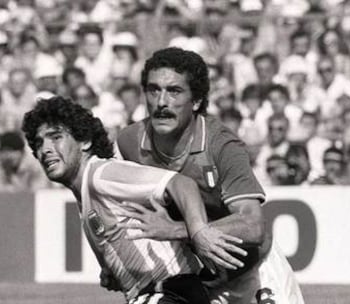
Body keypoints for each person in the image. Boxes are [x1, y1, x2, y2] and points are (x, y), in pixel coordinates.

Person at [116, 47, 304, 304]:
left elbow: (253, 224)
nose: (161, 102)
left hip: (252, 273)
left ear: (196, 101)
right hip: (192, 283)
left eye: (174, 91)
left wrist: (178, 230)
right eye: (153, 90)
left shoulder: (222, 145)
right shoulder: (129, 142)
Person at [22, 96, 249, 304]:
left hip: (170, 293)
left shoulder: (101, 174)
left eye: (56, 137)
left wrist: (199, 232)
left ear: (84, 142)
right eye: (39, 143)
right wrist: (115, 271)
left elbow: (181, 184)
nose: (45, 149)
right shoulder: (87, 194)